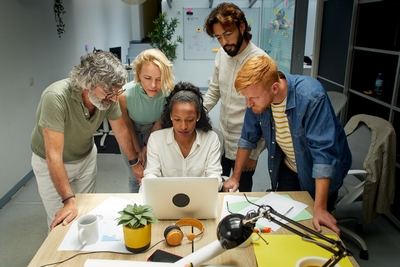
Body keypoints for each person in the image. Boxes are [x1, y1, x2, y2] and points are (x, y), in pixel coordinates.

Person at [224, 55, 352, 235]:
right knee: (283, 222)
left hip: (321, 170)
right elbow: (247, 138)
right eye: (247, 98)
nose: (249, 104)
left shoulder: (311, 96)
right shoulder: (257, 99)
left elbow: (323, 155)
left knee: (315, 226)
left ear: (274, 87)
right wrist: (235, 177)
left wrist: (321, 208)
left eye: (253, 98)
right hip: (289, 166)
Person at [30, 51, 143, 231]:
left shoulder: (109, 96)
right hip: (51, 163)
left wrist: (135, 163)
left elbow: (120, 130)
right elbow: (53, 156)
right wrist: (68, 200)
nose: (114, 98)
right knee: (62, 219)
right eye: (108, 92)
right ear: (87, 83)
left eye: (117, 91)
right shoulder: (56, 97)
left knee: (86, 213)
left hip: (86, 156)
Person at [203, 2, 268, 192]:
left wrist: (254, 154)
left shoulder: (260, 62)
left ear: (241, 27)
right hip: (223, 139)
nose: (224, 42)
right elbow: (214, 91)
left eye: (228, 34)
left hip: (247, 144)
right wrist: (196, 114)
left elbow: (266, 113)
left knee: (242, 194)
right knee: (216, 189)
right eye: (218, 37)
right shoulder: (222, 56)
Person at [144, 82, 223, 190]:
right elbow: (151, 173)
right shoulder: (156, 139)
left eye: (189, 120)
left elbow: (215, 175)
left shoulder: (211, 139)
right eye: (177, 119)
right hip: (166, 198)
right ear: (171, 115)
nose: (183, 126)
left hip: (200, 197)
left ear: (198, 116)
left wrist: (211, 185)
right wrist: (151, 183)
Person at [118, 48, 175, 193]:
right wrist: (137, 151)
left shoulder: (168, 94)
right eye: (147, 78)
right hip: (130, 131)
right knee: (135, 174)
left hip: (155, 130)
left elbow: (159, 122)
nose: (154, 85)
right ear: (138, 75)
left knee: (155, 172)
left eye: (159, 79)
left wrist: (146, 147)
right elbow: (127, 125)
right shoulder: (124, 95)